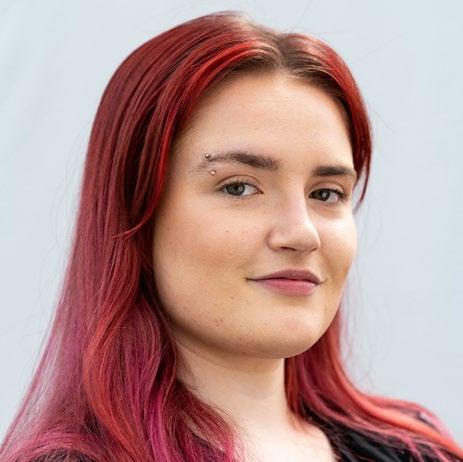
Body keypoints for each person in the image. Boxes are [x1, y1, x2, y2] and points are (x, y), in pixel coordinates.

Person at [1, 10, 462, 462]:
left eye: (326, 193)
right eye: (239, 187)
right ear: (137, 211)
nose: (302, 233)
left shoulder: (420, 454)